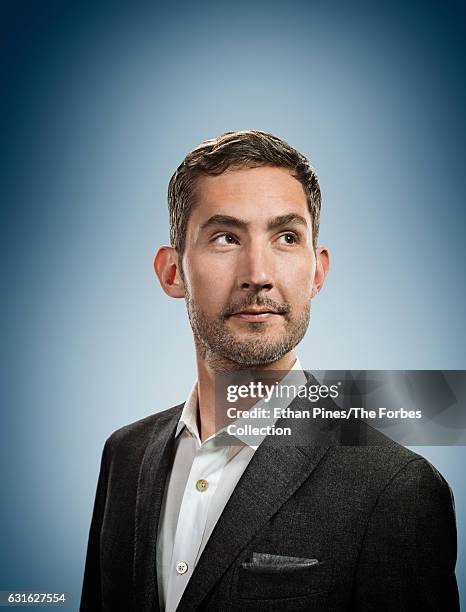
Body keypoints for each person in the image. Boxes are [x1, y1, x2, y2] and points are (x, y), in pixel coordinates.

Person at [80, 130, 459, 611]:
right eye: (225, 237)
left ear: (317, 271)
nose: (258, 273)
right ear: (172, 272)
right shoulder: (124, 456)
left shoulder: (397, 487)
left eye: (286, 237)